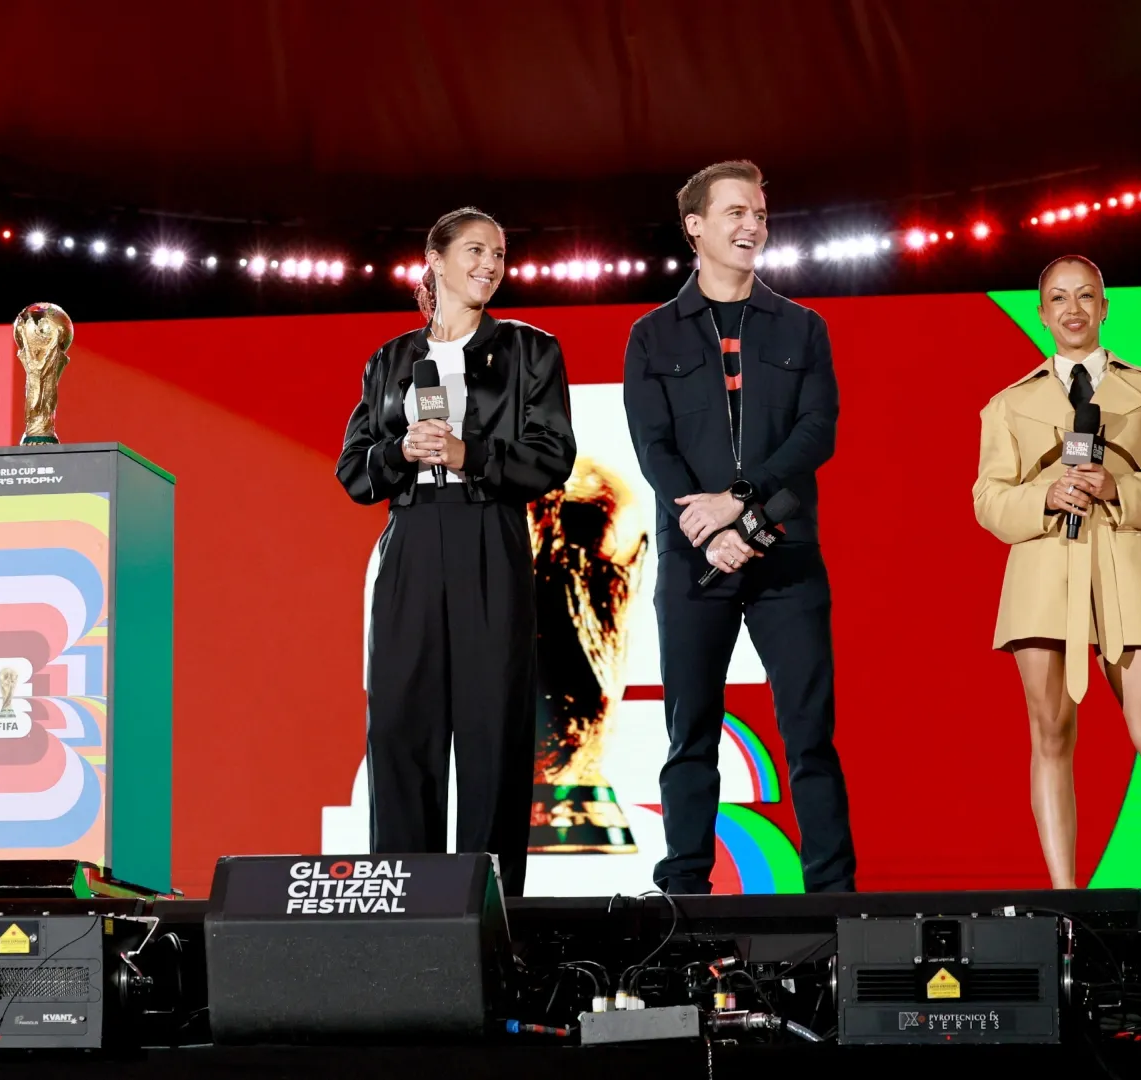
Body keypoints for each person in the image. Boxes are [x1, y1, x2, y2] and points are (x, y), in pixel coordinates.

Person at [623, 161, 856, 895]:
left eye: (758, 212)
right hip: (696, 559)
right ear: (695, 227)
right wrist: (710, 526)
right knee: (690, 732)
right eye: (734, 212)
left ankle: (835, 899)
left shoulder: (803, 326)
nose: (752, 224)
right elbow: (653, 446)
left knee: (809, 734)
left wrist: (743, 507)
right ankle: (685, 894)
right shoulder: (652, 336)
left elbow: (817, 432)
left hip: (787, 555)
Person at [337, 207, 575, 897]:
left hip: (489, 535)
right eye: (475, 251)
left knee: (491, 735)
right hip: (410, 539)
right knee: (401, 729)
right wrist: (397, 450)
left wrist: (472, 455)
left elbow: (553, 456)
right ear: (435, 260)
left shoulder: (534, 350)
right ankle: (403, 910)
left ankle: (488, 914)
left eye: (499, 254)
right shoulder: (390, 361)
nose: (490, 266)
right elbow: (353, 471)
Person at [972, 255, 1141, 888]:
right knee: (1050, 732)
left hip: (1122, 559)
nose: (1073, 309)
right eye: (1059, 299)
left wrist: (1119, 486)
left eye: (1086, 296)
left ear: (1105, 307)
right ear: (1043, 312)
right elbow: (988, 499)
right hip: (1042, 566)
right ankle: (1066, 902)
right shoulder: (1006, 405)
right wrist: (1044, 497)